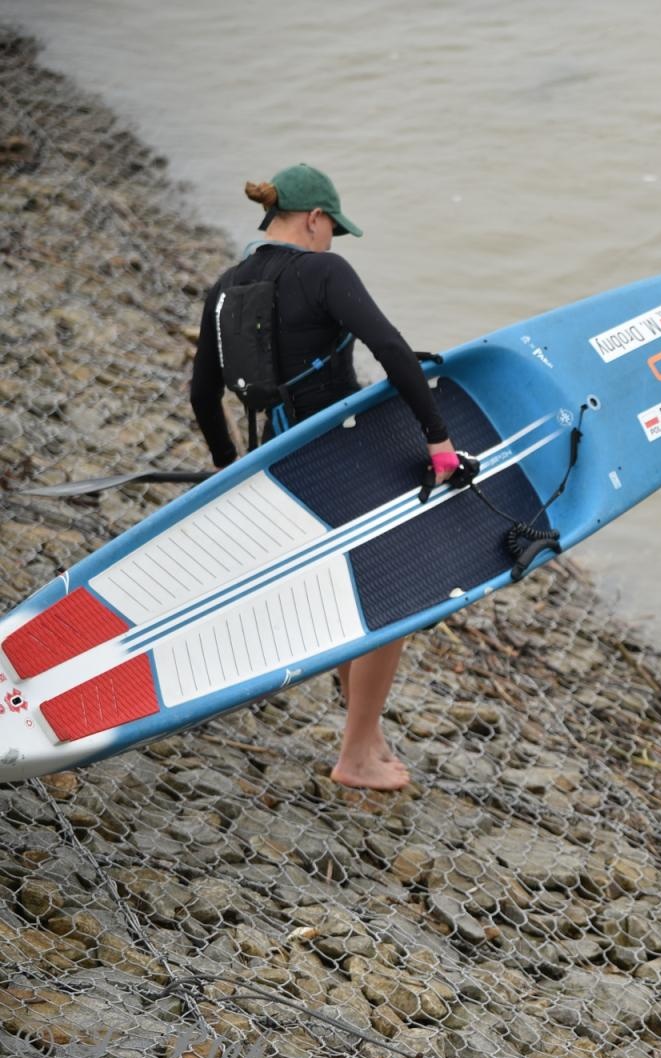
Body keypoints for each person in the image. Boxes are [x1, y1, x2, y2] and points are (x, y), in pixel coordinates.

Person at [188, 163, 461, 791]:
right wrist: (437, 437)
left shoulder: (227, 285)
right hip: (344, 458)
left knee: (351, 591)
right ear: (314, 219)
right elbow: (390, 349)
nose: (333, 239)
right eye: (333, 228)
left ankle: (366, 734)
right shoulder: (325, 271)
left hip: (279, 465)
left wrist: (230, 470)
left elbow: (204, 394)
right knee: (395, 597)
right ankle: (357, 754)